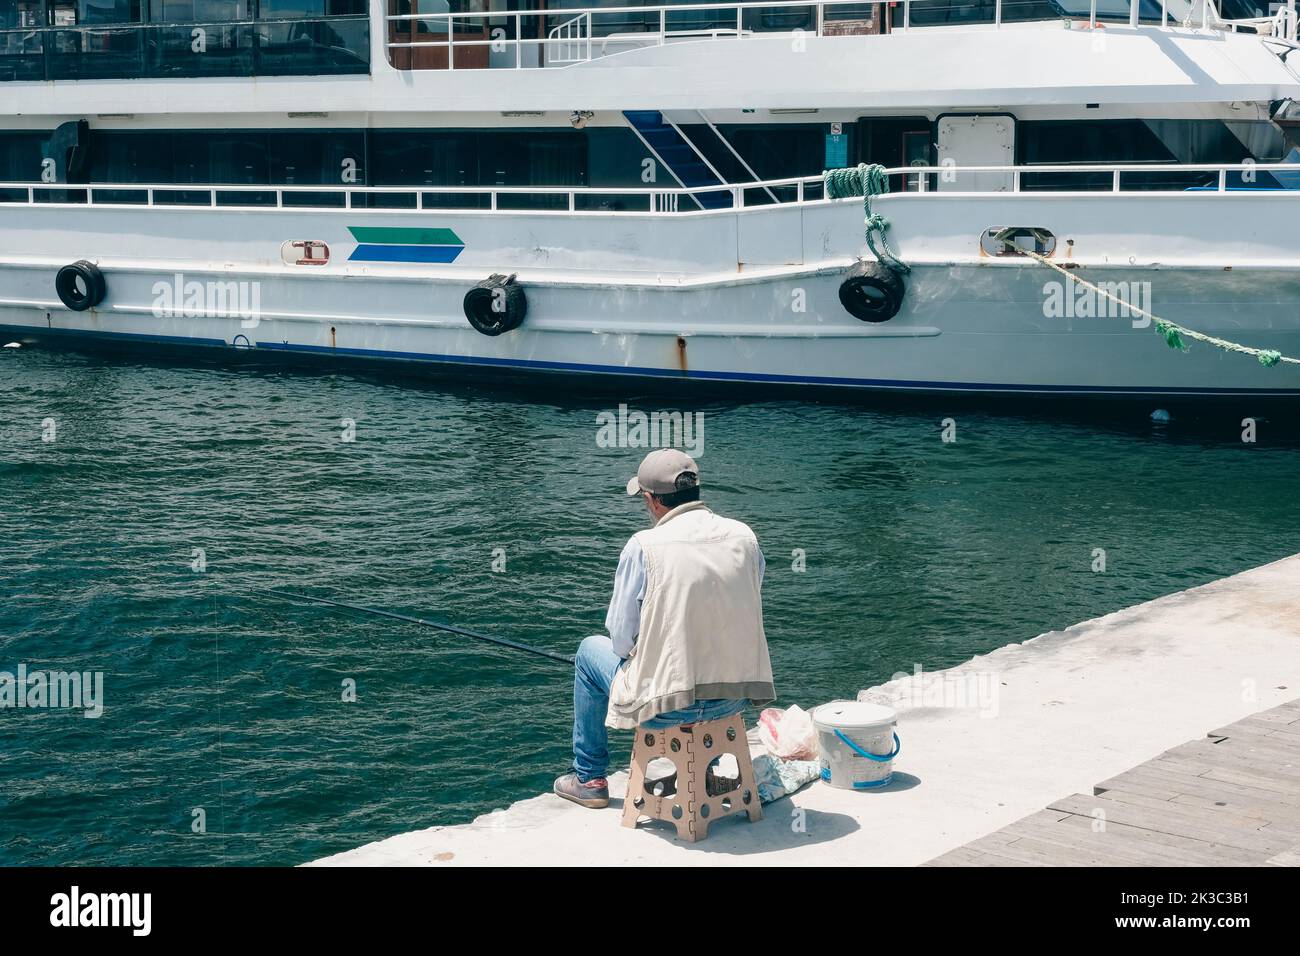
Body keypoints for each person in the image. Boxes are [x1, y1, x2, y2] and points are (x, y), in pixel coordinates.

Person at [553, 448, 775, 809]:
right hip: (733, 698)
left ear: (652, 500)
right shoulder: (745, 537)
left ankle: (590, 777)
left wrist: (646, 651)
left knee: (588, 652)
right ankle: (710, 769)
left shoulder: (644, 546)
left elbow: (621, 640)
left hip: (670, 708)